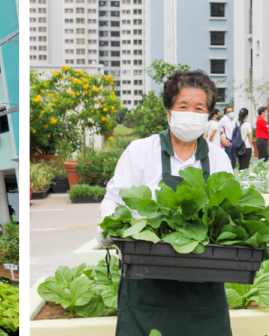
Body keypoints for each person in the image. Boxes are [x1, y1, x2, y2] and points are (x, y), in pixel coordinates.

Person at [95, 70, 234, 336]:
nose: (191, 114)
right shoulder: (140, 151)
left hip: (203, 287)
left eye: (199, 108)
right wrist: (106, 228)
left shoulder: (218, 159)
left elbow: (227, 213)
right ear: (169, 112)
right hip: (146, 283)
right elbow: (113, 201)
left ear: (208, 116)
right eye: (183, 106)